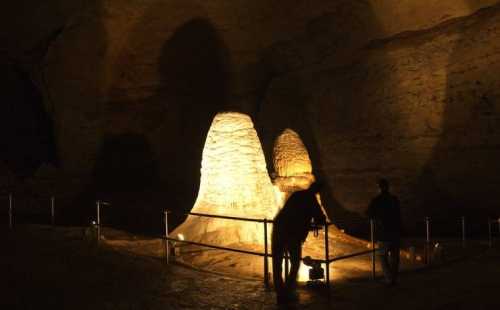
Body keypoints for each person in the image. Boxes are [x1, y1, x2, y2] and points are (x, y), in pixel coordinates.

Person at [272, 181, 326, 303]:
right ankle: (289, 291)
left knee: (277, 262)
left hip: (279, 227)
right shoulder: (311, 199)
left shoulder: (297, 194)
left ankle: (280, 294)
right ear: (317, 191)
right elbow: (320, 218)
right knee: (295, 263)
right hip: (292, 233)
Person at [367, 178, 401, 285]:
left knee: (382, 256)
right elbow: (399, 214)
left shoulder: (376, 201)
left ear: (379, 188)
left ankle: (389, 278)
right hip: (394, 232)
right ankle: (393, 278)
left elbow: (368, 213)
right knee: (395, 257)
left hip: (383, 233)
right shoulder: (394, 199)